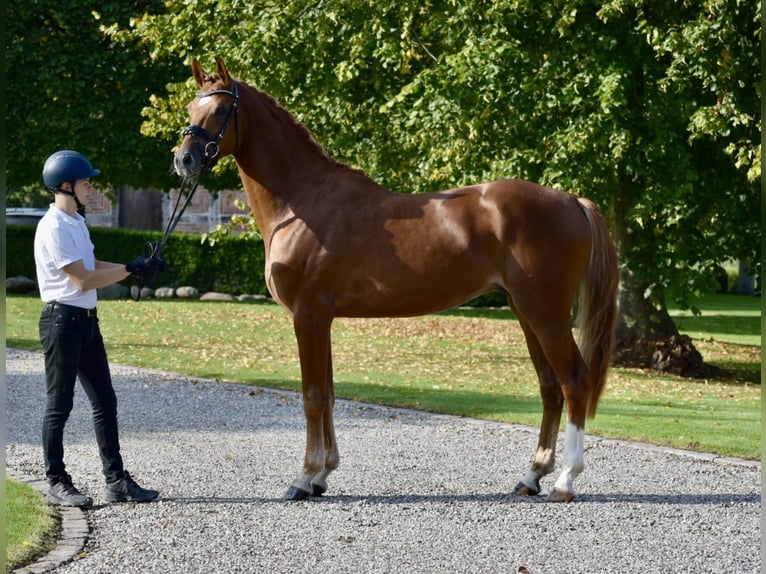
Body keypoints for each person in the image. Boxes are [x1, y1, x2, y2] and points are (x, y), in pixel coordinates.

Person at [34, 149, 161, 507]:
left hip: (87, 322)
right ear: (66, 185)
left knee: (105, 400)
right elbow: (83, 279)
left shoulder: (76, 221)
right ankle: (56, 482)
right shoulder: (53, 226)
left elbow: (91, 263)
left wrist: (133, 266)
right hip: (62, 322)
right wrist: (129, 270)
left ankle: (116, 481)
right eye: (86, 182)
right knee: (59, 405)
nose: (91, 187)